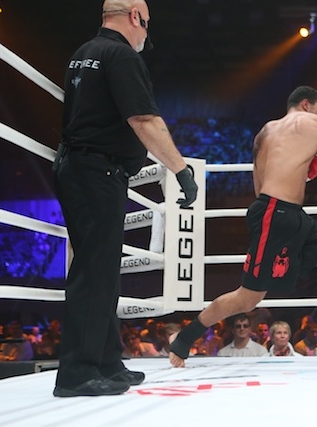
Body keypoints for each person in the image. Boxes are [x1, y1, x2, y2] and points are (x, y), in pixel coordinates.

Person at [169, 85, 317, 368]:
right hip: (275, 214)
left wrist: (296, 179)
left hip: (286, 213)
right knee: (248, 298)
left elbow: (259, 184)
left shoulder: (265, 132)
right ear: (307, 104)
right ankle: (184, 339)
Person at [53, 0, 198, 397]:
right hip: (95, 171)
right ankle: (77, 373)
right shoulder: (120, 55)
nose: (145, 36)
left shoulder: (84, 53)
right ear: (135, 16)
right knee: (94, 272)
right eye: (146, 25)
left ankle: (105, 362)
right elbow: (143, 119)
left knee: (101, 270)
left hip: (84, 168)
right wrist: (181, 170)